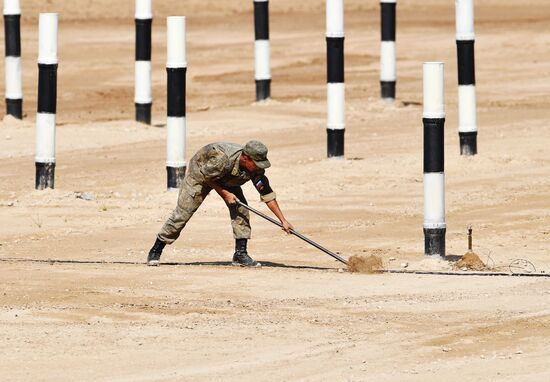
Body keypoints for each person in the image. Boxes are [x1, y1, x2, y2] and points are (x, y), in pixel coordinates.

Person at [147, 140, 294, 267]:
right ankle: (156, 249)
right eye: (256, 163)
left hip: (226, 178)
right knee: (183, 213)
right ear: (245, 158)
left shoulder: (255, 170)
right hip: (201, 175)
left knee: (241, 209)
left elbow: (267, 194)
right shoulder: (223, 158)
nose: (259, 167)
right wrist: (225, 194)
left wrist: (283, 221)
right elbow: (206, 176)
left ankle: (240, 254)